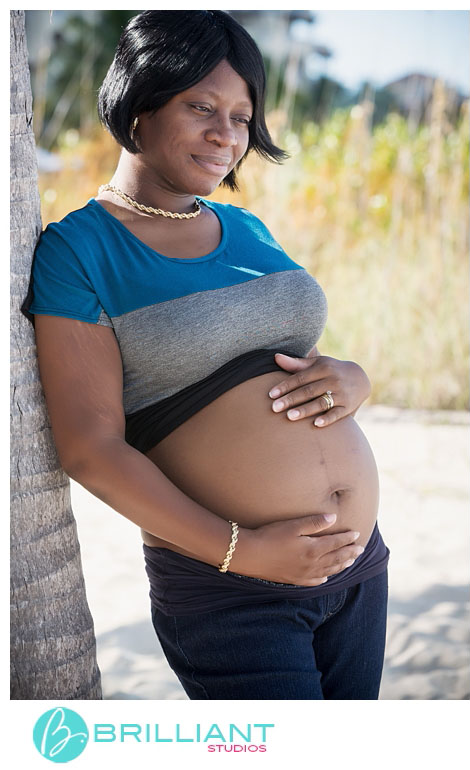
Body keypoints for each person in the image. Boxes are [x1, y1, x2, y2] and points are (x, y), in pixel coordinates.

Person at [26, 10, 389, 698]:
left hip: (359, 568)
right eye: (201, 107)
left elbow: (279, 358)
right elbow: (90, 448)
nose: (227, 135)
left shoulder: (246, 226)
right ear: (140, 107)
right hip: (232, 589)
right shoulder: (80, 250)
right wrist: (245, 550)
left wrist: (353, 377)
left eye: (242, 116)